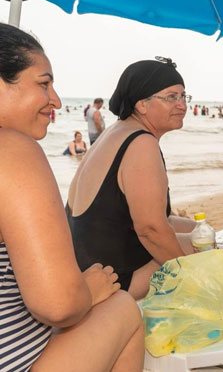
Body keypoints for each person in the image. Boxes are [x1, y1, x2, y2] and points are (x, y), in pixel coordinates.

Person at [0, 22, 143, 372]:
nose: (56, 100)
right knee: (123, 306)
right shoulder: (11, 149)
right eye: (43, 83)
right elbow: (59, 305)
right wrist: (88, 291)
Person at [67, 58, 197, 300]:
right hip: (113, 279)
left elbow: (120, 214)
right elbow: (150, 230)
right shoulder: (141, 143)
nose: (182, 105)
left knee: (197, 229)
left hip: (84, 266)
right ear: (142, 104)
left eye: (183, 97)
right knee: (202, 246)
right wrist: (192, 274)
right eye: (171, 97)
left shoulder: (114, 132)